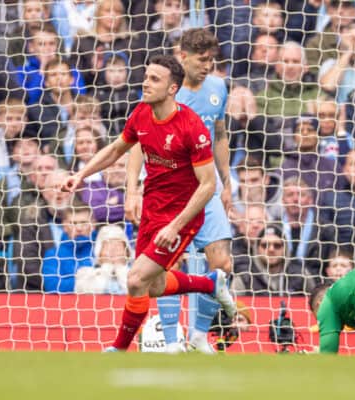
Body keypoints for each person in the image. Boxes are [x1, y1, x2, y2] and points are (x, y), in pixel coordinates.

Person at [61, 54, 236, 352]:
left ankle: (118, 349)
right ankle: (209, 283)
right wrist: (80, 174)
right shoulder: (142, 112)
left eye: (154, 79)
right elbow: (117, 149)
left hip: (182, 214)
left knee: (135, 278)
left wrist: (175, 226)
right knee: (151, 286)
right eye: (146, 76)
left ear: (172, 89)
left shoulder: (191, 127)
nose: (146, 82)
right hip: (153, 208)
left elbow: (207, 186)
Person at [124, 28, 235, 354]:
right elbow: (135, 144)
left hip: (205, 187)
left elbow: (221, 135)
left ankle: (199, 335)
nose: (209, 66)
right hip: (167, 191)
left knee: (222, 263)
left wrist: (227, 182)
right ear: (182, 56)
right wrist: (133, 190)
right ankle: (170, 341)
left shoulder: (218, 87)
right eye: (203, 60)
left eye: (212, 60)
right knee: (163, 266)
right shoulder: (164, 92)